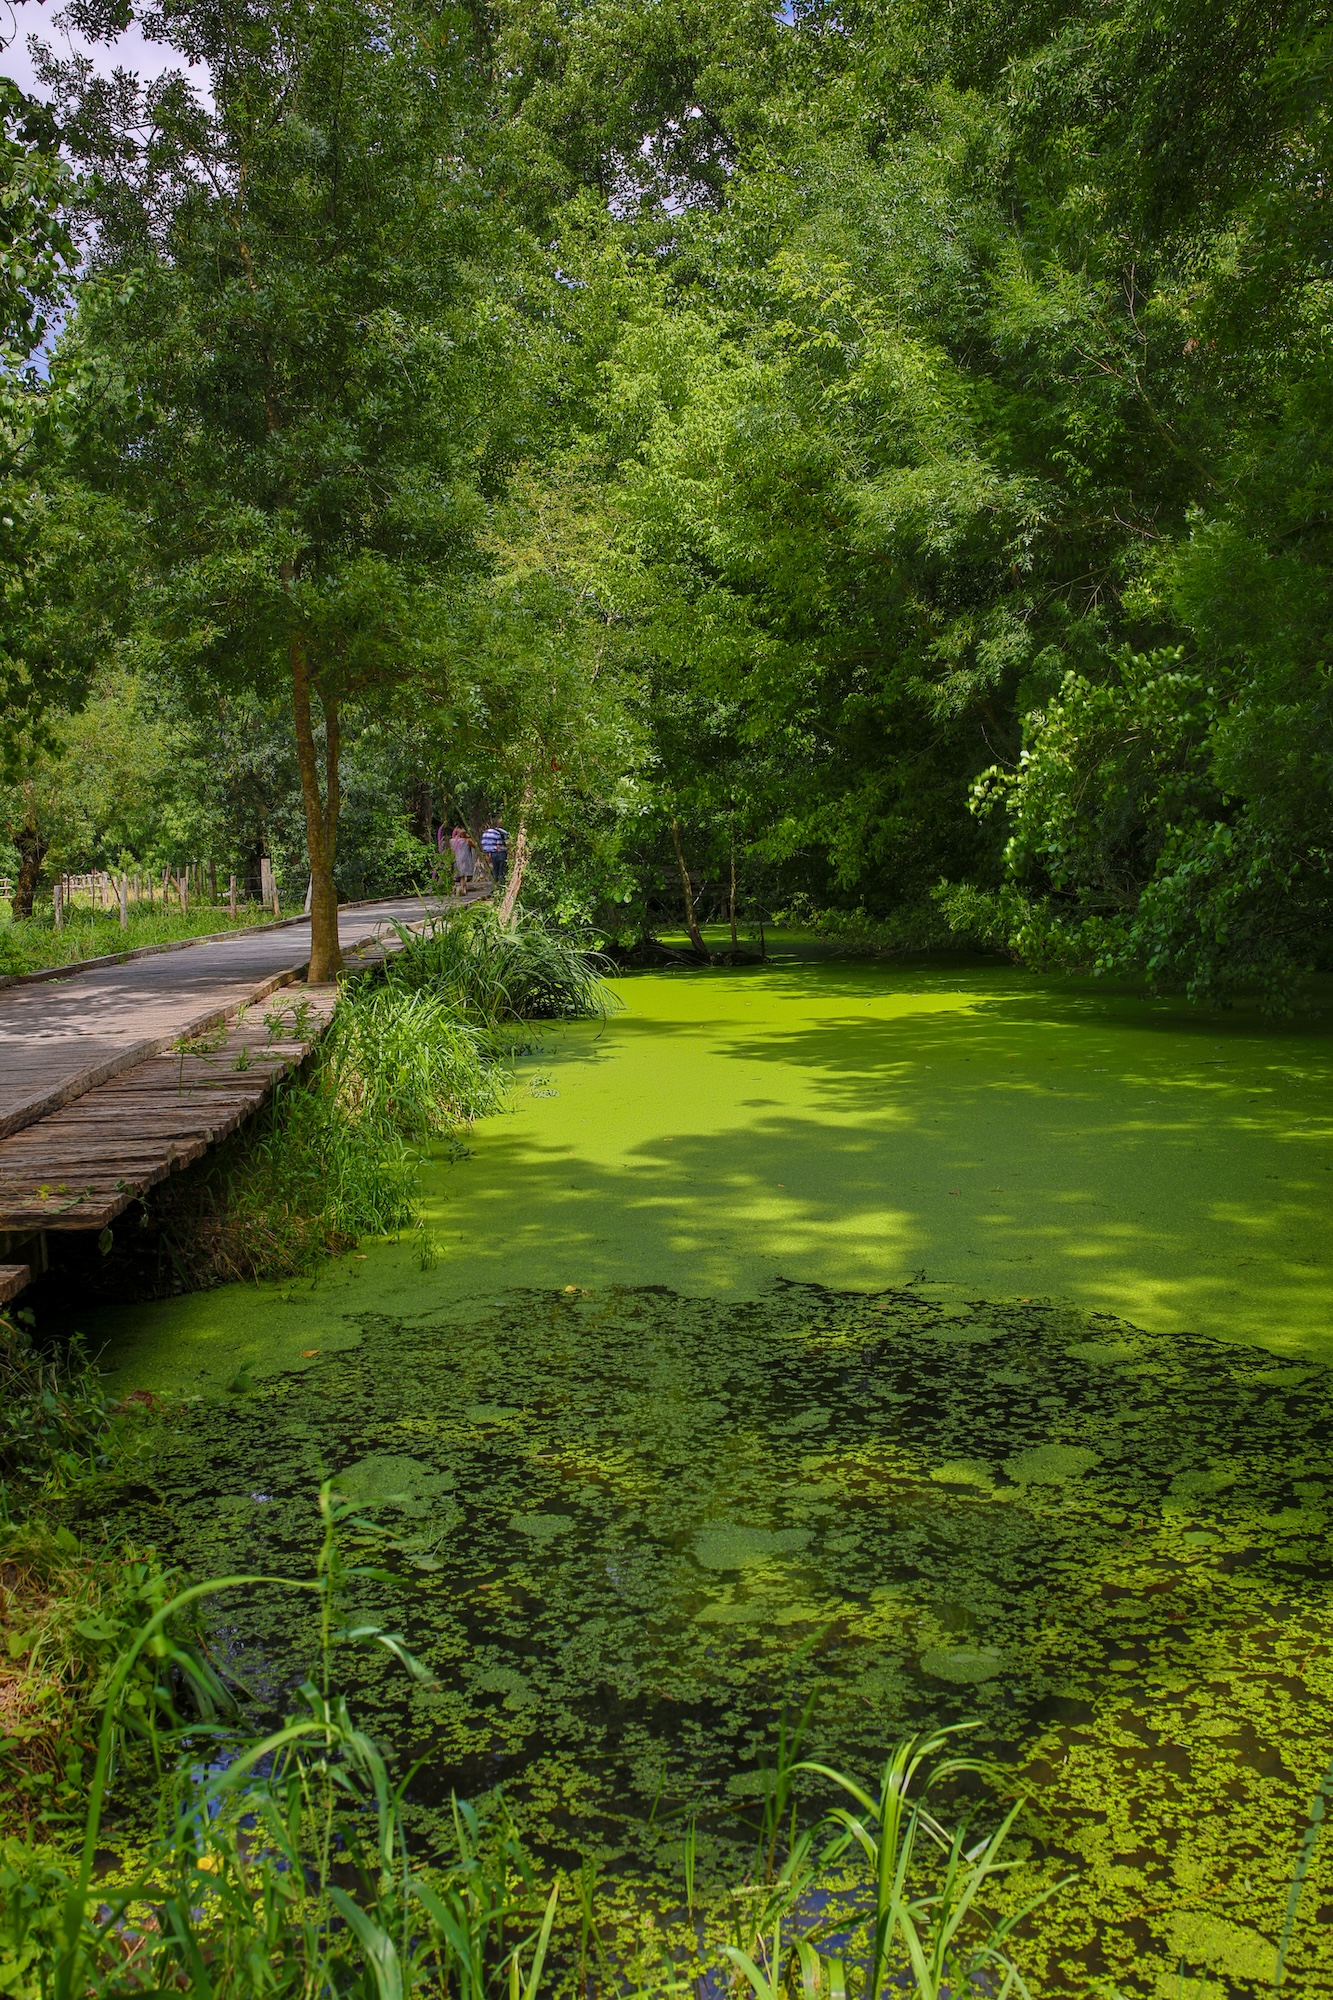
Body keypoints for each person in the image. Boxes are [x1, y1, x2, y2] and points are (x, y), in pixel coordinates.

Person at [480, 820, 509, 890]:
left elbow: (484, 845)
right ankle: (501, 886)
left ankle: (494, 887)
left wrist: (487, 855)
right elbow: (498, 845)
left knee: (495, 870)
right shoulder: (497, 833)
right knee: (501, 871)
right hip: (500, 853)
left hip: (492, 854)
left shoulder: (485, 834)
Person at [449, 826, 473, 891]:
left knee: (459, 873)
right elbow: (474, 845)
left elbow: (451, 849)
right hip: (465, 858)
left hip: (456, 858)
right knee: (463, 874)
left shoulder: (451, 841)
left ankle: (460, 887)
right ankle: (462, 887)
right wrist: (468, 837)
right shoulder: (466, 840)